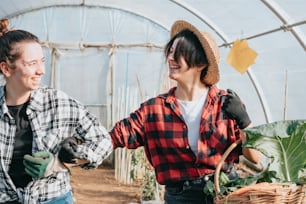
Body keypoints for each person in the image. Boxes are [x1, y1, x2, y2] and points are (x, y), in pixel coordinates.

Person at [61, 20, 262, 204]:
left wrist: (244, 122)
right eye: (170, 51)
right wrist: (79, 153)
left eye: (179, 52)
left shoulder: (226, 104)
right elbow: (114, 137)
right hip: (180, 198)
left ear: (201, 64)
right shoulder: (154, 109)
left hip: (224, 193)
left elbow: (255, 158)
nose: (171, 58)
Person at [0, 19, 113, 204]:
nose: (41, 70)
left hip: (53, 199)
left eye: (42, 61)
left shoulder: (58, 103)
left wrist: (59, 163)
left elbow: (103, 140)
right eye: (31, 63)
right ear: (6, 68)